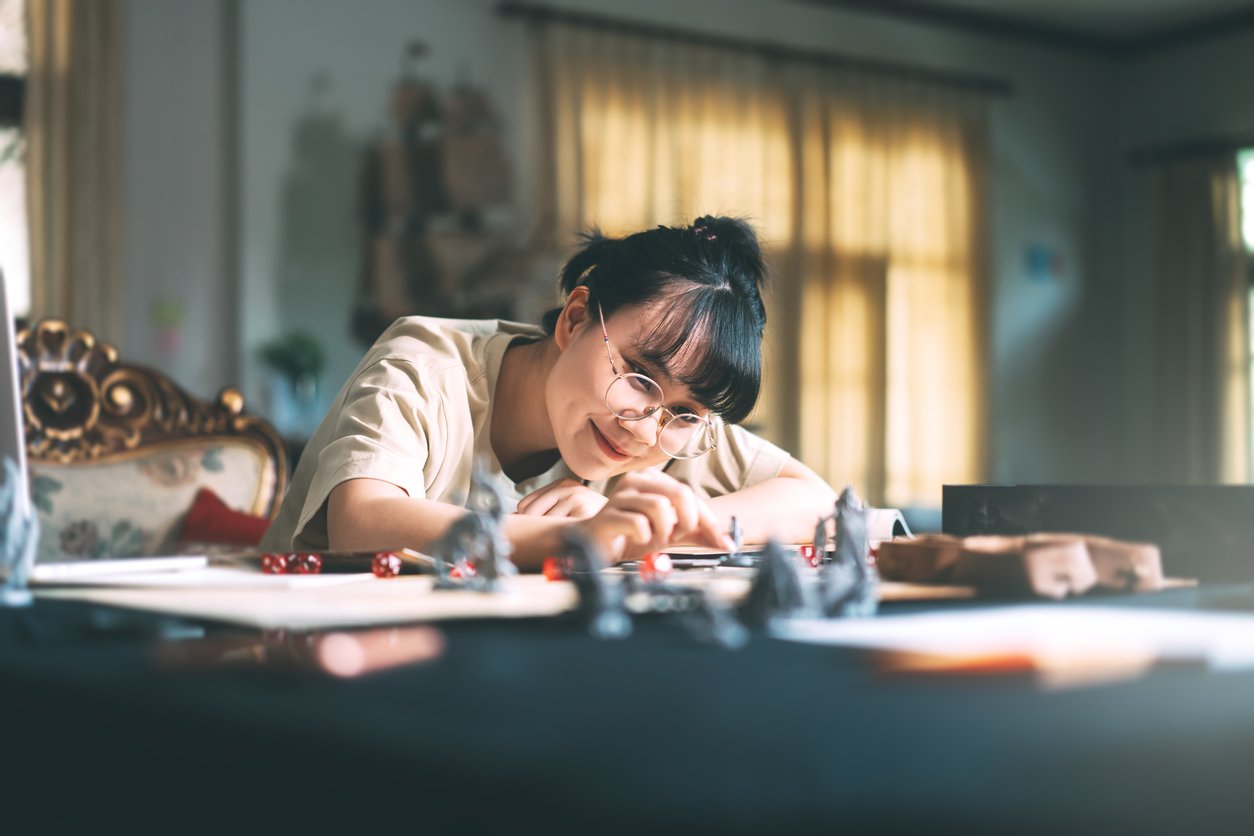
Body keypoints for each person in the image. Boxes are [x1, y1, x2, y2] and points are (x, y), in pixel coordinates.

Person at [260, 216, 836, 569]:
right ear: (575, 317)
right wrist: (584, 536)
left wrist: (646, 527)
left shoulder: (671, 425)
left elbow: (818, 504)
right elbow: (362, 523)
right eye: (636, 375)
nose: (642, 427)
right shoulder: (424, 362)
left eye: (684, 411)